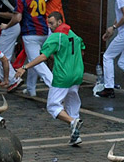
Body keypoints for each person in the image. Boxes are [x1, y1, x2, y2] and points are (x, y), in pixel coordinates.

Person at [16, 11, 84, 146]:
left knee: (53, 106)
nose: (50, 26)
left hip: (63, 76)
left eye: (52, 23)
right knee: (73, 104)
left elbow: (43, 56)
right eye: (48, 23)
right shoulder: (73, 34)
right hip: (77, 74)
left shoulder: (55, 37)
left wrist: (25, 66)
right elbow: (81, 50)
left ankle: (72, 122)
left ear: (59, 22)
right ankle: (75, 135)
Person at [2, 0, 52, 97]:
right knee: (33, 60)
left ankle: (55, 87)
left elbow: (17, 18)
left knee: (37, 63)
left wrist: (6, 26)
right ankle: (31, 89)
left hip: (31, 33)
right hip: (44, 31)